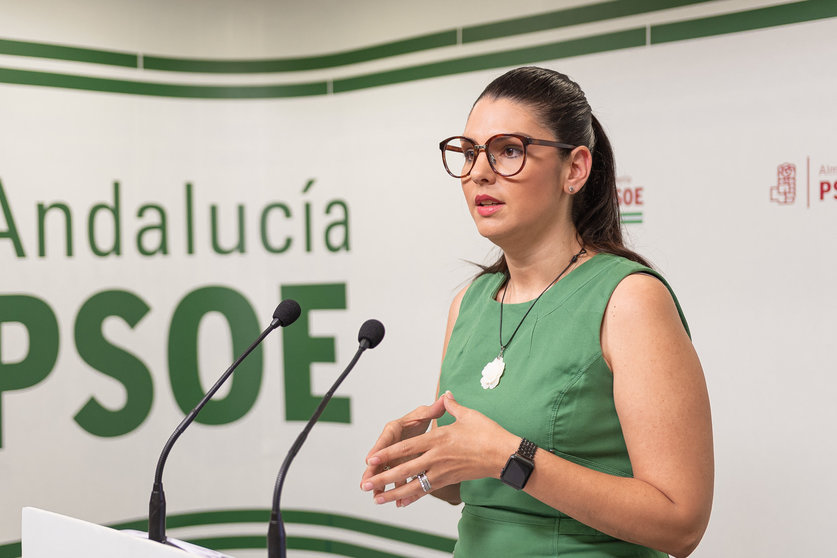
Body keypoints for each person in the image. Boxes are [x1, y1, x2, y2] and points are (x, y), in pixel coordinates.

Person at [360, 66, 713, 558]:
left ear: (575, 169)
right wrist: (424, 459)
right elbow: (466, 488)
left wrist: (510, 456)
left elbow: (681, 524)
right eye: (468, 153)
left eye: (508, 150)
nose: (479, 171)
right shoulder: (470, 302)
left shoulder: (628, 298)